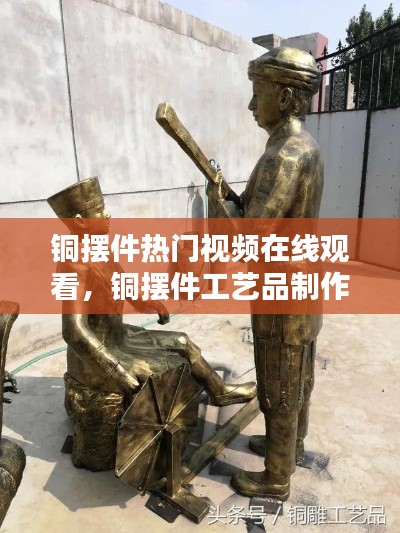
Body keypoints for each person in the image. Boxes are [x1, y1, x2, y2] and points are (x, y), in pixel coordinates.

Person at [47, 177, 256, 469]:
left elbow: (124, 286)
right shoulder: (72, 264)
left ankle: (219, 391)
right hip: (98, 357)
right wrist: (116, 369)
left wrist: (150, 303)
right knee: (166, 369)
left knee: (182, 342)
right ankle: (154, 449)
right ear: (80, 221)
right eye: (99, 210)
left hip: (120, 337)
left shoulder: (100, 249)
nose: (107, 214)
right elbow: (74, 331)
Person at [207, 47, 324, 500]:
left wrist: (219, 205)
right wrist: (234, 201)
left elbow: (251, 236)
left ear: (287, 97)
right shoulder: (304, 146)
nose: (251, 105)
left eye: (260, 93)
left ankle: (276, 478)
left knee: (278, 378)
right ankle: (291, 448)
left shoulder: (284, 156)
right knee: (300, 371)